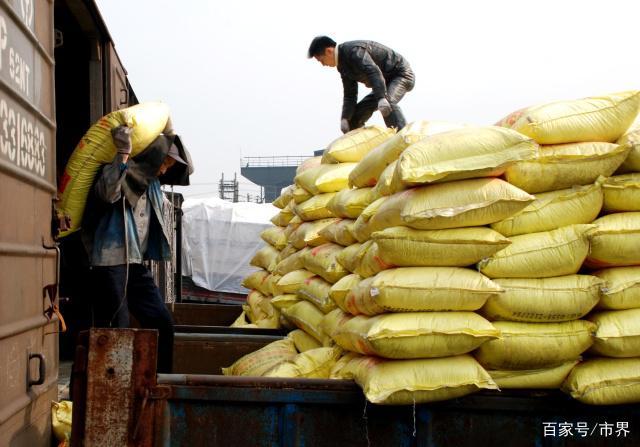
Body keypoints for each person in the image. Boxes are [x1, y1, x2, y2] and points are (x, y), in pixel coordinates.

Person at [81, 120, 193, 373]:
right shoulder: (123, 170)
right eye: (165, 162)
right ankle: (113, 383)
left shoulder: (152, 183)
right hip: (110, 262)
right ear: (155, 158)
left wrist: (169, 133)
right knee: (117, 327)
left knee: (162, 322)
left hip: (134, 262)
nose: (165, 170)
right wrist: (122, 154)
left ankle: (160, 379)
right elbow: (107, 194)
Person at [308, 36, 415, 133]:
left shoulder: (354, 51)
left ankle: (403, 137)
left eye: (321, 60)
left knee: (388, 103)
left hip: (401, 75)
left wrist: (382, 97)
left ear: (329, 51)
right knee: (355, 117)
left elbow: (373, 71)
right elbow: (350, 94)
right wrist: (345, 118)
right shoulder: (342, 66)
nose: (323, 65)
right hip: (383, 84)